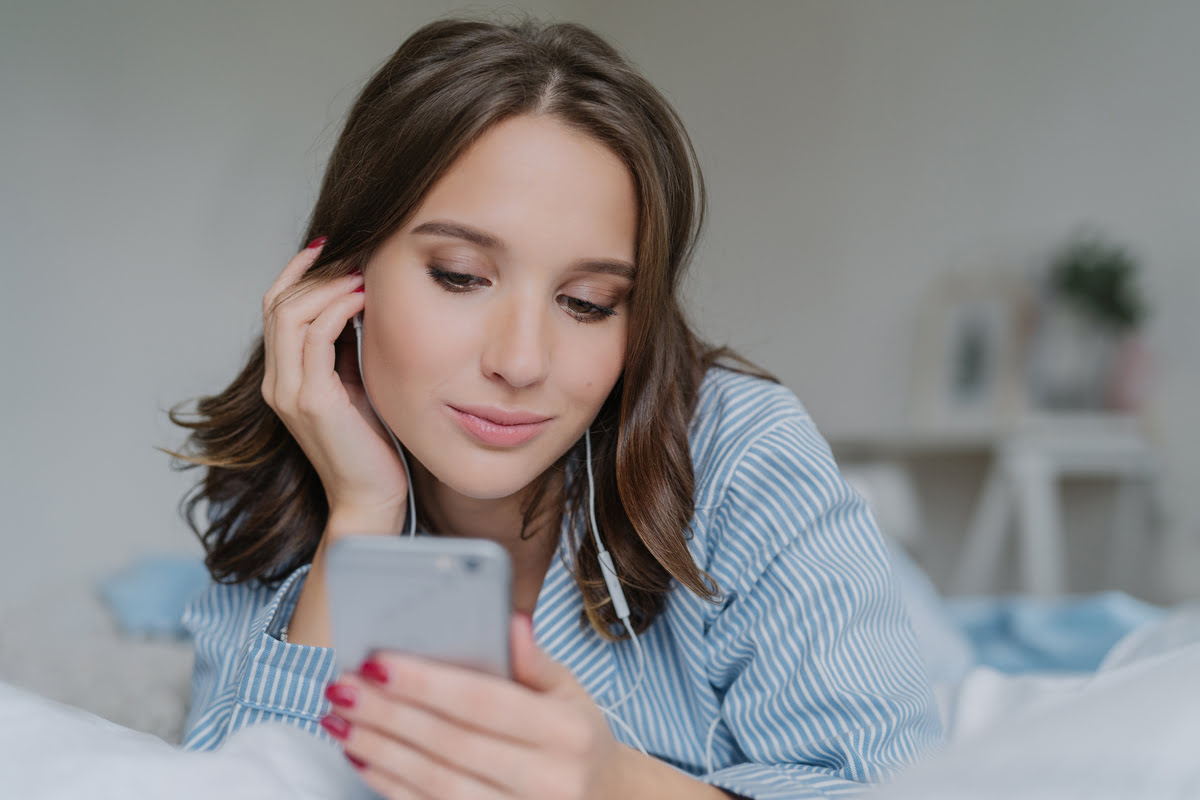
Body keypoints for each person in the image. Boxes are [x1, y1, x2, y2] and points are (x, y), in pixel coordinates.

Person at [169, 15, 942, 799]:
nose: (522, 361)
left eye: (587, 302)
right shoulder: (282, 488)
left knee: (938, 643)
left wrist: (616, 785)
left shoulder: (745, 457)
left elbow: (892, 784)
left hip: (834, 585)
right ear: (346, 276)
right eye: (462, 276)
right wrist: (359, 516)